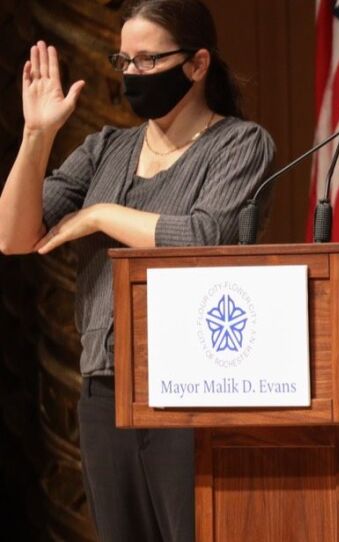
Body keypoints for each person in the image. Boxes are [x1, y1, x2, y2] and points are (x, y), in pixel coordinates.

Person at [0, 1, 275, 540]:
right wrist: (37, 136)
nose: (130, 74)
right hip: (105, 385)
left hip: (194, 387)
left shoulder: (240, 144)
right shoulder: (106, 148)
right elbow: (12, 236)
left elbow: (204, 236)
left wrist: (101, 214)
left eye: (147, 61)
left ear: (196, 65)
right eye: (123, 60)